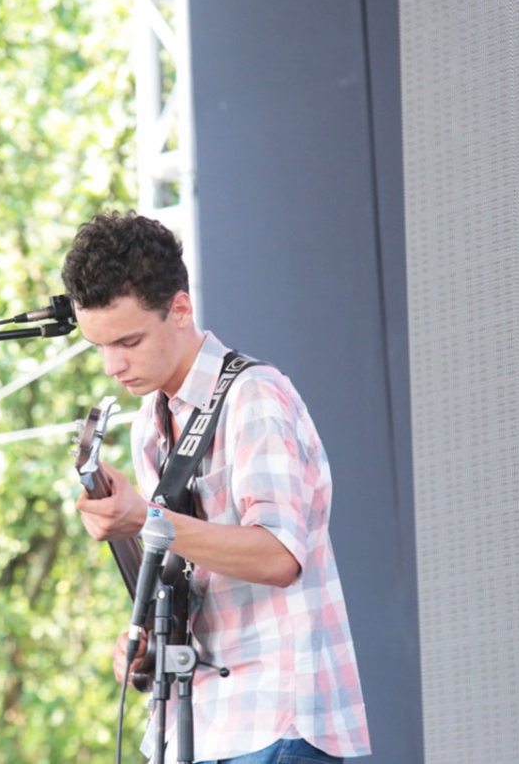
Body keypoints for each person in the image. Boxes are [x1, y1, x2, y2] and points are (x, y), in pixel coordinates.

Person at [61, 211, 371, 763]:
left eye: (128, 340)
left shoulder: (255, 396)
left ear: (180, 309)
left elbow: (279, 555)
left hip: (276, 715)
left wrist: (146, 520)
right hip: (198, 721)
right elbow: (192, 568)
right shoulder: (149, 424)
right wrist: (148, 641)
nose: (112, 365)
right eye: (99, 346)